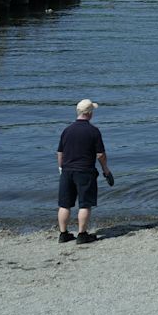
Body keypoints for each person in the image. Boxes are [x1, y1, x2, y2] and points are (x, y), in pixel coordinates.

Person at [56, 98, 112, 244]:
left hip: (67, 171)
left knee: (64, 204)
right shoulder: (93, 131)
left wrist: (61, 168)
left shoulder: (67, 130)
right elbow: (100, 155)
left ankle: (63, 234)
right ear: (90, 113)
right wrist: (106, 170)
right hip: (85, 171)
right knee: (85, 204)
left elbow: (60, 152)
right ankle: (82, 234)